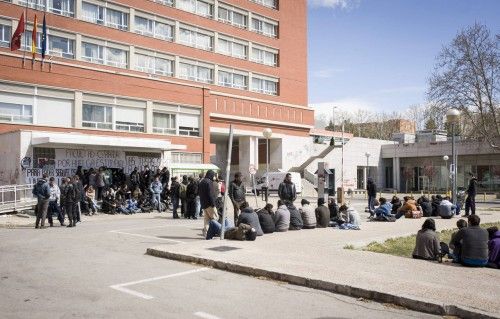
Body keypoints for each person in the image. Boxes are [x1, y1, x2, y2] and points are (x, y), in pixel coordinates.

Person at [199, 170, 219, 236]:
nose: (214, 177)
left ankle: (206, 231)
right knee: (215, 218)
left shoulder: (202, 181)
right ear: (211, 175)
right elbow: (210, 194)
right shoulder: (209, 182)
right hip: (209, 204)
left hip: (203, 204)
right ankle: (213, 231)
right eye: (213, 175)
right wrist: (213, 204)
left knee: (206, 219)